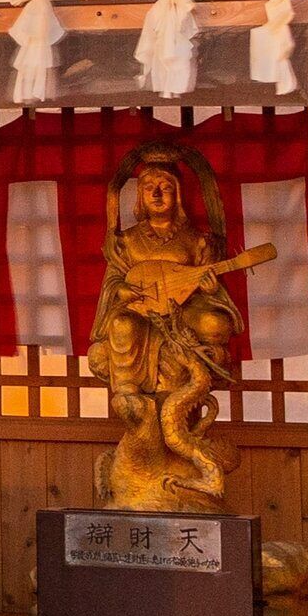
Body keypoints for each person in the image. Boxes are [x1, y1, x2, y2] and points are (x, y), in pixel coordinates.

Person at [93, 147, 265, 512]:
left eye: (166, 187)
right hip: (140, 312)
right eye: (149, 188)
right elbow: (114, 283)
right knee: (121, 324)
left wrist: (207, 289)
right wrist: (123, 291)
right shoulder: (127, 241)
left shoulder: (196, 240)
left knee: (214, 322)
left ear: (179, 194)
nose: (157, 194)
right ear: (139, 196)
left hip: (184, 311)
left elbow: (210, 290)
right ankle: (128, 391)